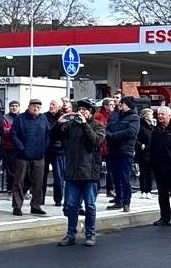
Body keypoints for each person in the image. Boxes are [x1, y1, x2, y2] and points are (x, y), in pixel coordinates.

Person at [55, 99, 106, 246]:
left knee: (90, 205)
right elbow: (55, 136)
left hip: (89, 173)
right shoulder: (71, 125)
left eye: (85, 109)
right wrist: (58, 123)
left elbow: (96, 141)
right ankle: (71, 234)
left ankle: (90, 234)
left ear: (91, 112)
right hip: (72, 172)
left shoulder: (98, 125)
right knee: (71, 205)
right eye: (80, 109)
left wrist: (84, 125)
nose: (81, 112)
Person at [9, 98, 51, 216]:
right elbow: (13, 134)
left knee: (38, 182)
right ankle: (17, 206)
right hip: (22, 156)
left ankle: (36, 206)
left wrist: (44, 148)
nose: (36, 108)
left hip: (39, 155)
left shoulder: (43, 118)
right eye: (34, 106)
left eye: (38, 107)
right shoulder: (20, 118)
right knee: (19, 181)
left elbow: (48, 134)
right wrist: (21, 148)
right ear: (29, 106)